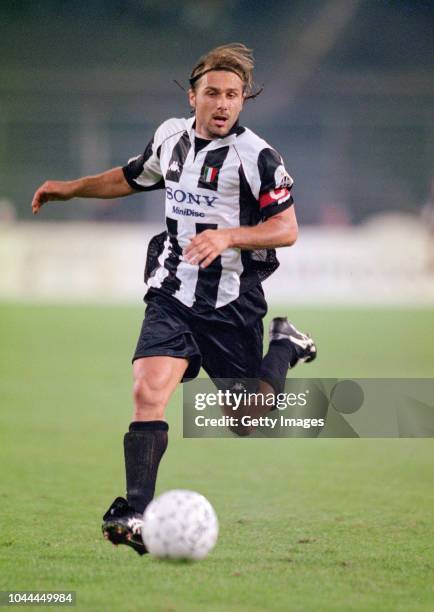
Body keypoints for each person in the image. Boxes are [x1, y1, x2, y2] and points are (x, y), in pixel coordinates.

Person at [31, 43, 317, 555]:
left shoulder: (258, 157)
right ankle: (136, 511)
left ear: (243, 101)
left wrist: (228, 236)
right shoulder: (170, 137)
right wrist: (70, 189)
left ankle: (286, 345)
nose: (223, 103)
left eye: (233, 95)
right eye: (213, 93)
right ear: (194, 96)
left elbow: (287, 228)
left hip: (231, 302)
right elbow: (131, 176)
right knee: (148, 390)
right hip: (172, 290)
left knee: (247, 419)